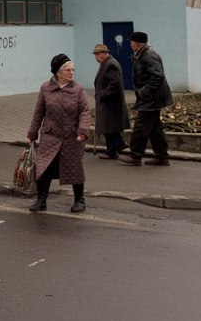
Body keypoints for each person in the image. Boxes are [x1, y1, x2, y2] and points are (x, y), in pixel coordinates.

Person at [27, 54, 91, 213]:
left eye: (73, 70)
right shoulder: (45, 88)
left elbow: (85, 112)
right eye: (67, 70)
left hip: (72, 137)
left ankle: (79, 201)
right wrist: (32, 134)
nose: (71, 73)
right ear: (57, 72)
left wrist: (82, 131)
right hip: (50, 136)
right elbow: (38, 112)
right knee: (44, 168)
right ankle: (41, 201)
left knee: (74, 168)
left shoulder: (78, 89)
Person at [120, 31, 173, 166]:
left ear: (136, 43)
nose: (129, 44)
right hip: (152, 97)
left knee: (140, 127)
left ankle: (135, 156)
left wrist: (145, 91)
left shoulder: (148, 55)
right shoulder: (142, 54)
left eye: (131, 41)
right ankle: (162, 156)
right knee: (155, 128)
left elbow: (158, 75)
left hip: (152, 98)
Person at [91, 43, 129, 158]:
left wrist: (102, 94)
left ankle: (112, 151)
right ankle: (119, 144)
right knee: (109, 127)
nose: (96, 57)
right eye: (95, 55)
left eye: (98, 55)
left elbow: (114, 84)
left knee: (109, 127)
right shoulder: (106, 63)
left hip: (111, 102)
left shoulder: (110, 64)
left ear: (105, 54)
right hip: (108, 102)